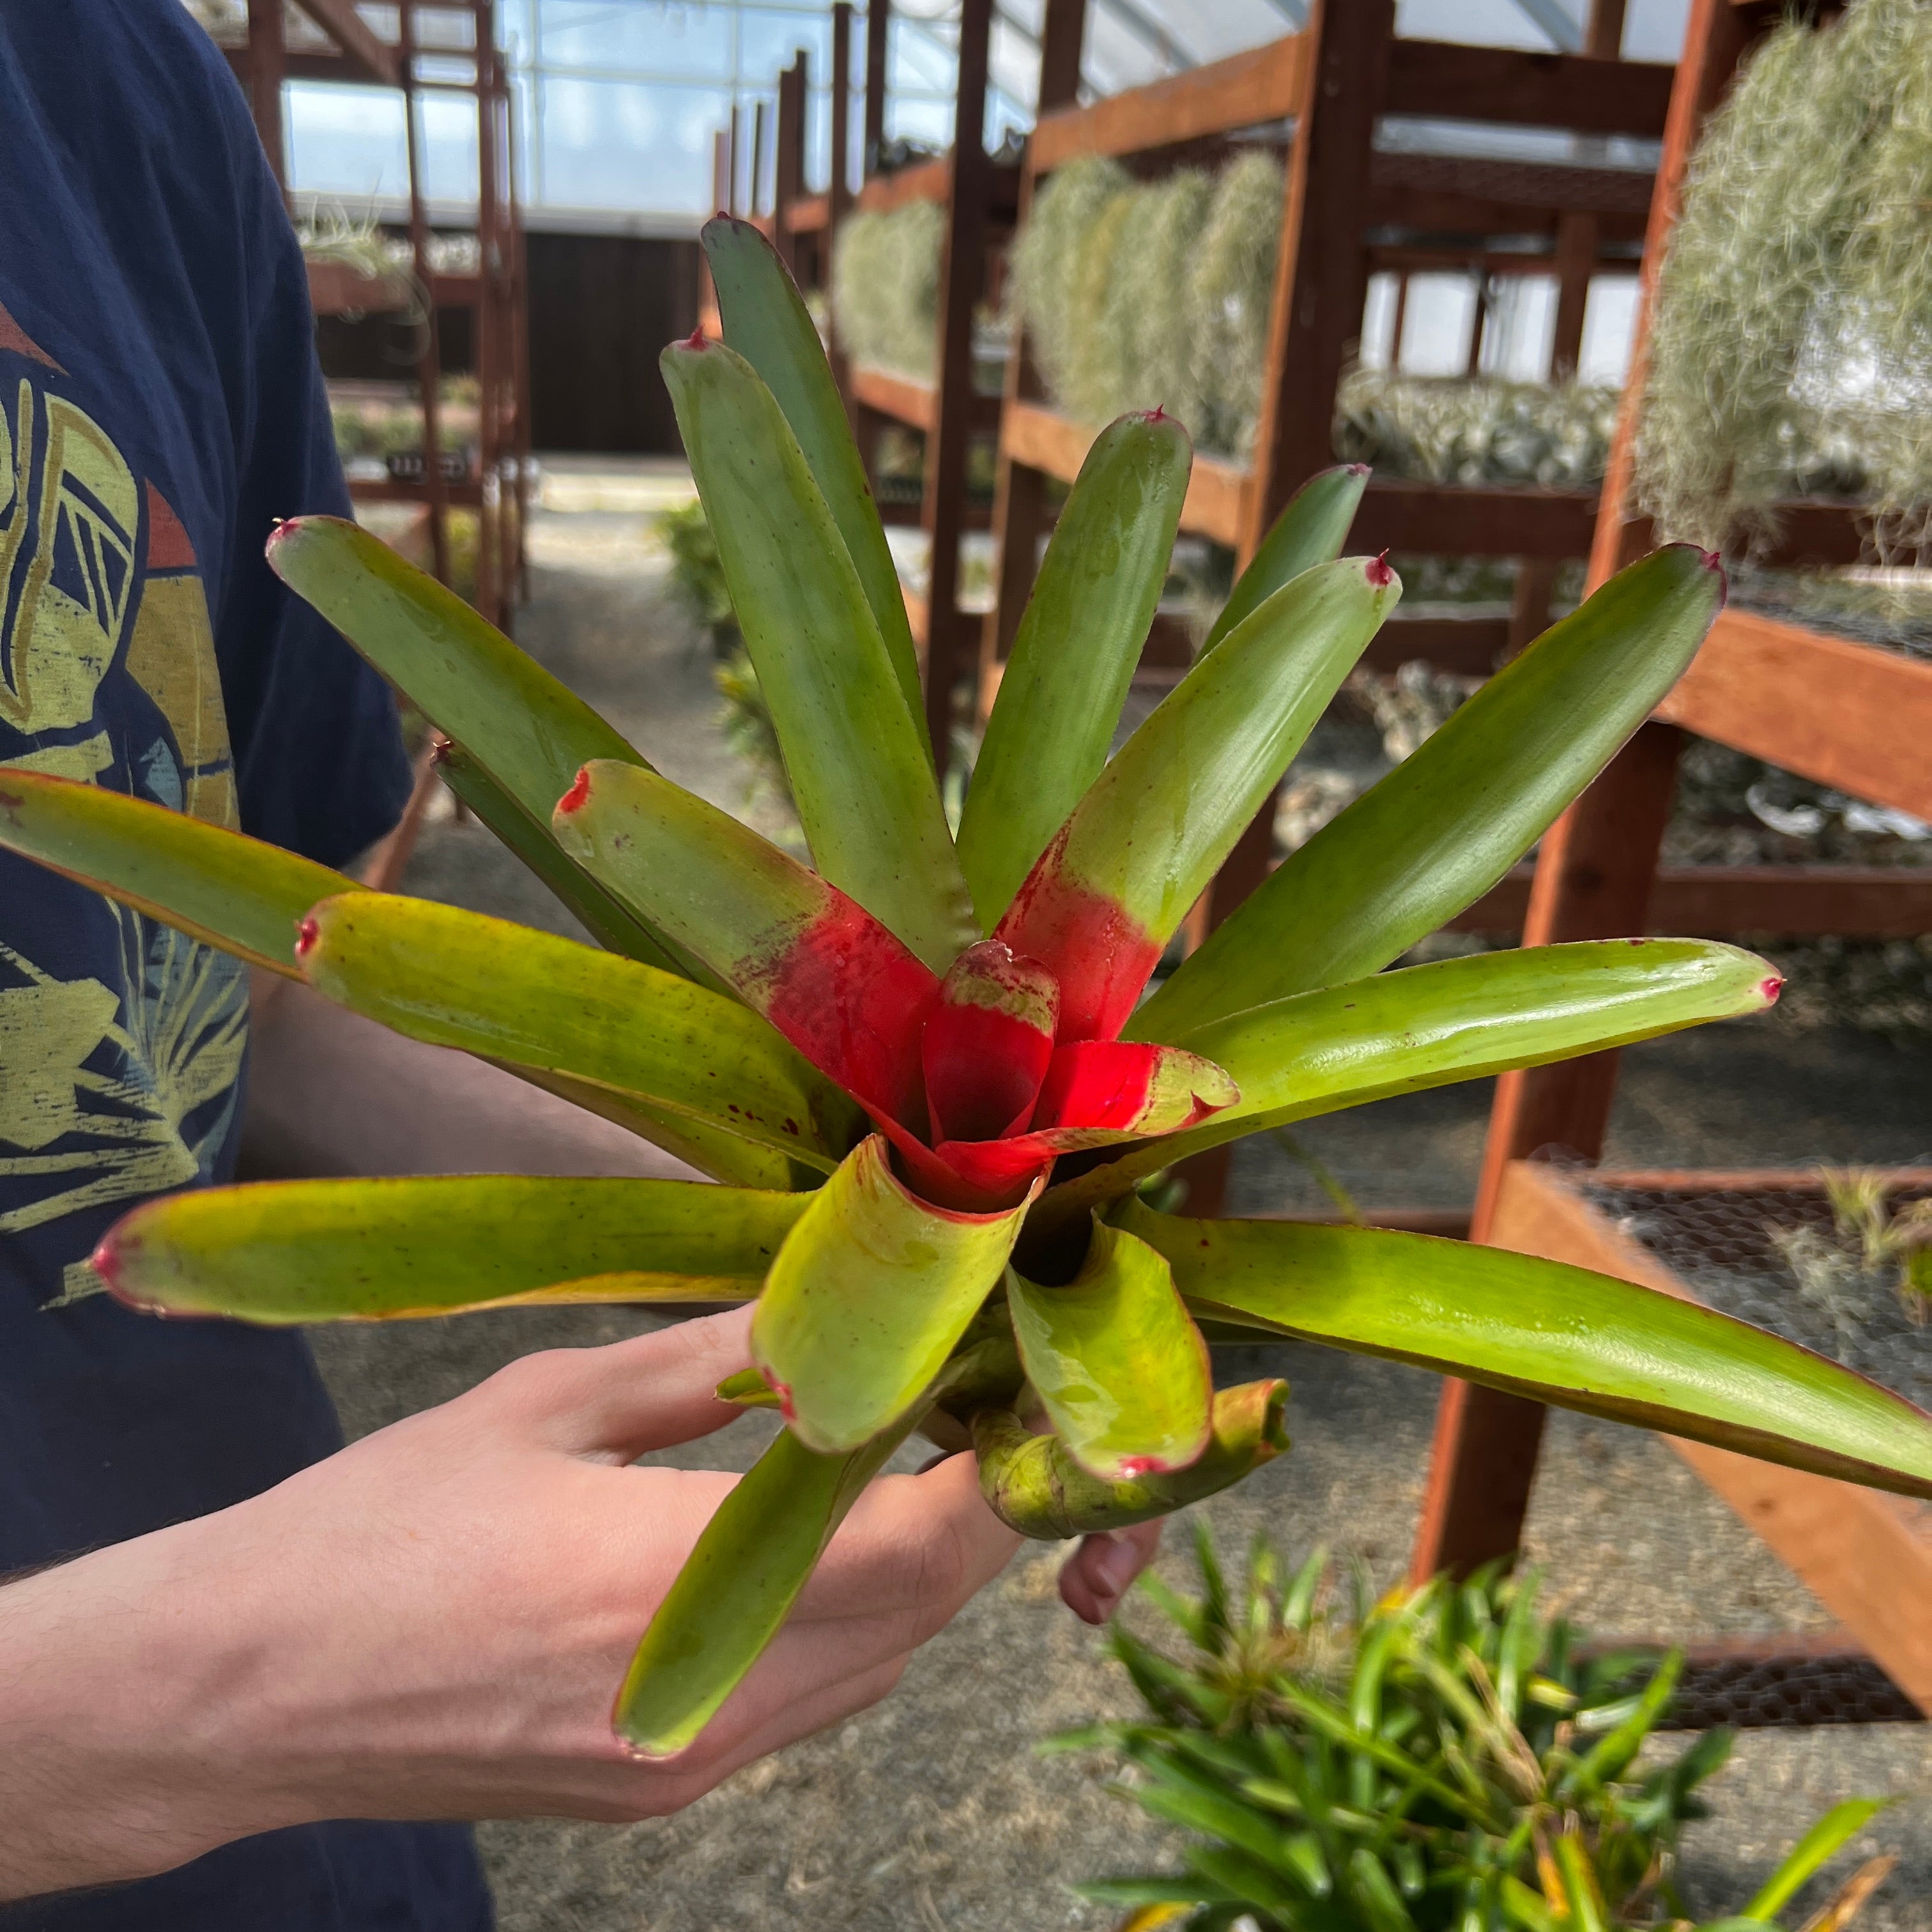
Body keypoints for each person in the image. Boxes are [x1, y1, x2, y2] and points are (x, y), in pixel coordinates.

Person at [0, 4, 1156, 1919]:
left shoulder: (109, 84)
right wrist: (212, 1697)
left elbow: (229, 978)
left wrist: (907, 1239)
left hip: (319, 1831)